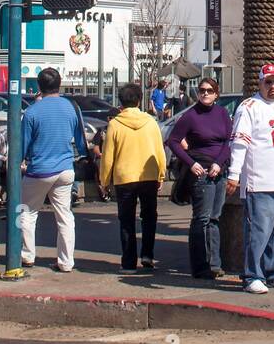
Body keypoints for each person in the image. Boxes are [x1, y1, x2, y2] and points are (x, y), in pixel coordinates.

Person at [227, 62, 274, 294]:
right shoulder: (249, 107)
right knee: (259, 231)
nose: (272, 86)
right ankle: (252, 275)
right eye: (267, 82)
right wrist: (234, 174)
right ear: (259, 82)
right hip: (258, 182)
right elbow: (239, 143)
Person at [19, 67, 88, 272]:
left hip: (39, 170)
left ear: (39, 87)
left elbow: (23, 144)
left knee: (27, 212)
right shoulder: (71, 107)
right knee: (65, 216)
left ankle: (27, 256)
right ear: (59, 84)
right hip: (65, 169)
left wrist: (19, 161)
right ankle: (66, 261)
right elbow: (81, 140)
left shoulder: (31, 112)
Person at [167, 76, 232, 280]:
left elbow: (229, 142)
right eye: (202, 90)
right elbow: (173, 141)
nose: (205, 94)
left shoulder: (222, 113)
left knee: (214, 218)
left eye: (209, 91)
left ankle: (214, 263)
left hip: (219, 171)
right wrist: (191, 163)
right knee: (201, 219)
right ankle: (200, 266)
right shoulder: (190, 116)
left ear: (216, 93)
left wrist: (219, 163)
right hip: (201, 172)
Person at [100, 82, 166, 271]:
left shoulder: (114, 124)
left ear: (121, 101)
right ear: (139, 100)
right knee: (149, 217)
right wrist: (161, 174)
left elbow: (108, 156)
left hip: (124, 178)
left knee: (126, 220)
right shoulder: (151, 122)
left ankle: (129, 262)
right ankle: (148, 255)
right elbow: (159, 151)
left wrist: (104, 180)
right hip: (149, 175)